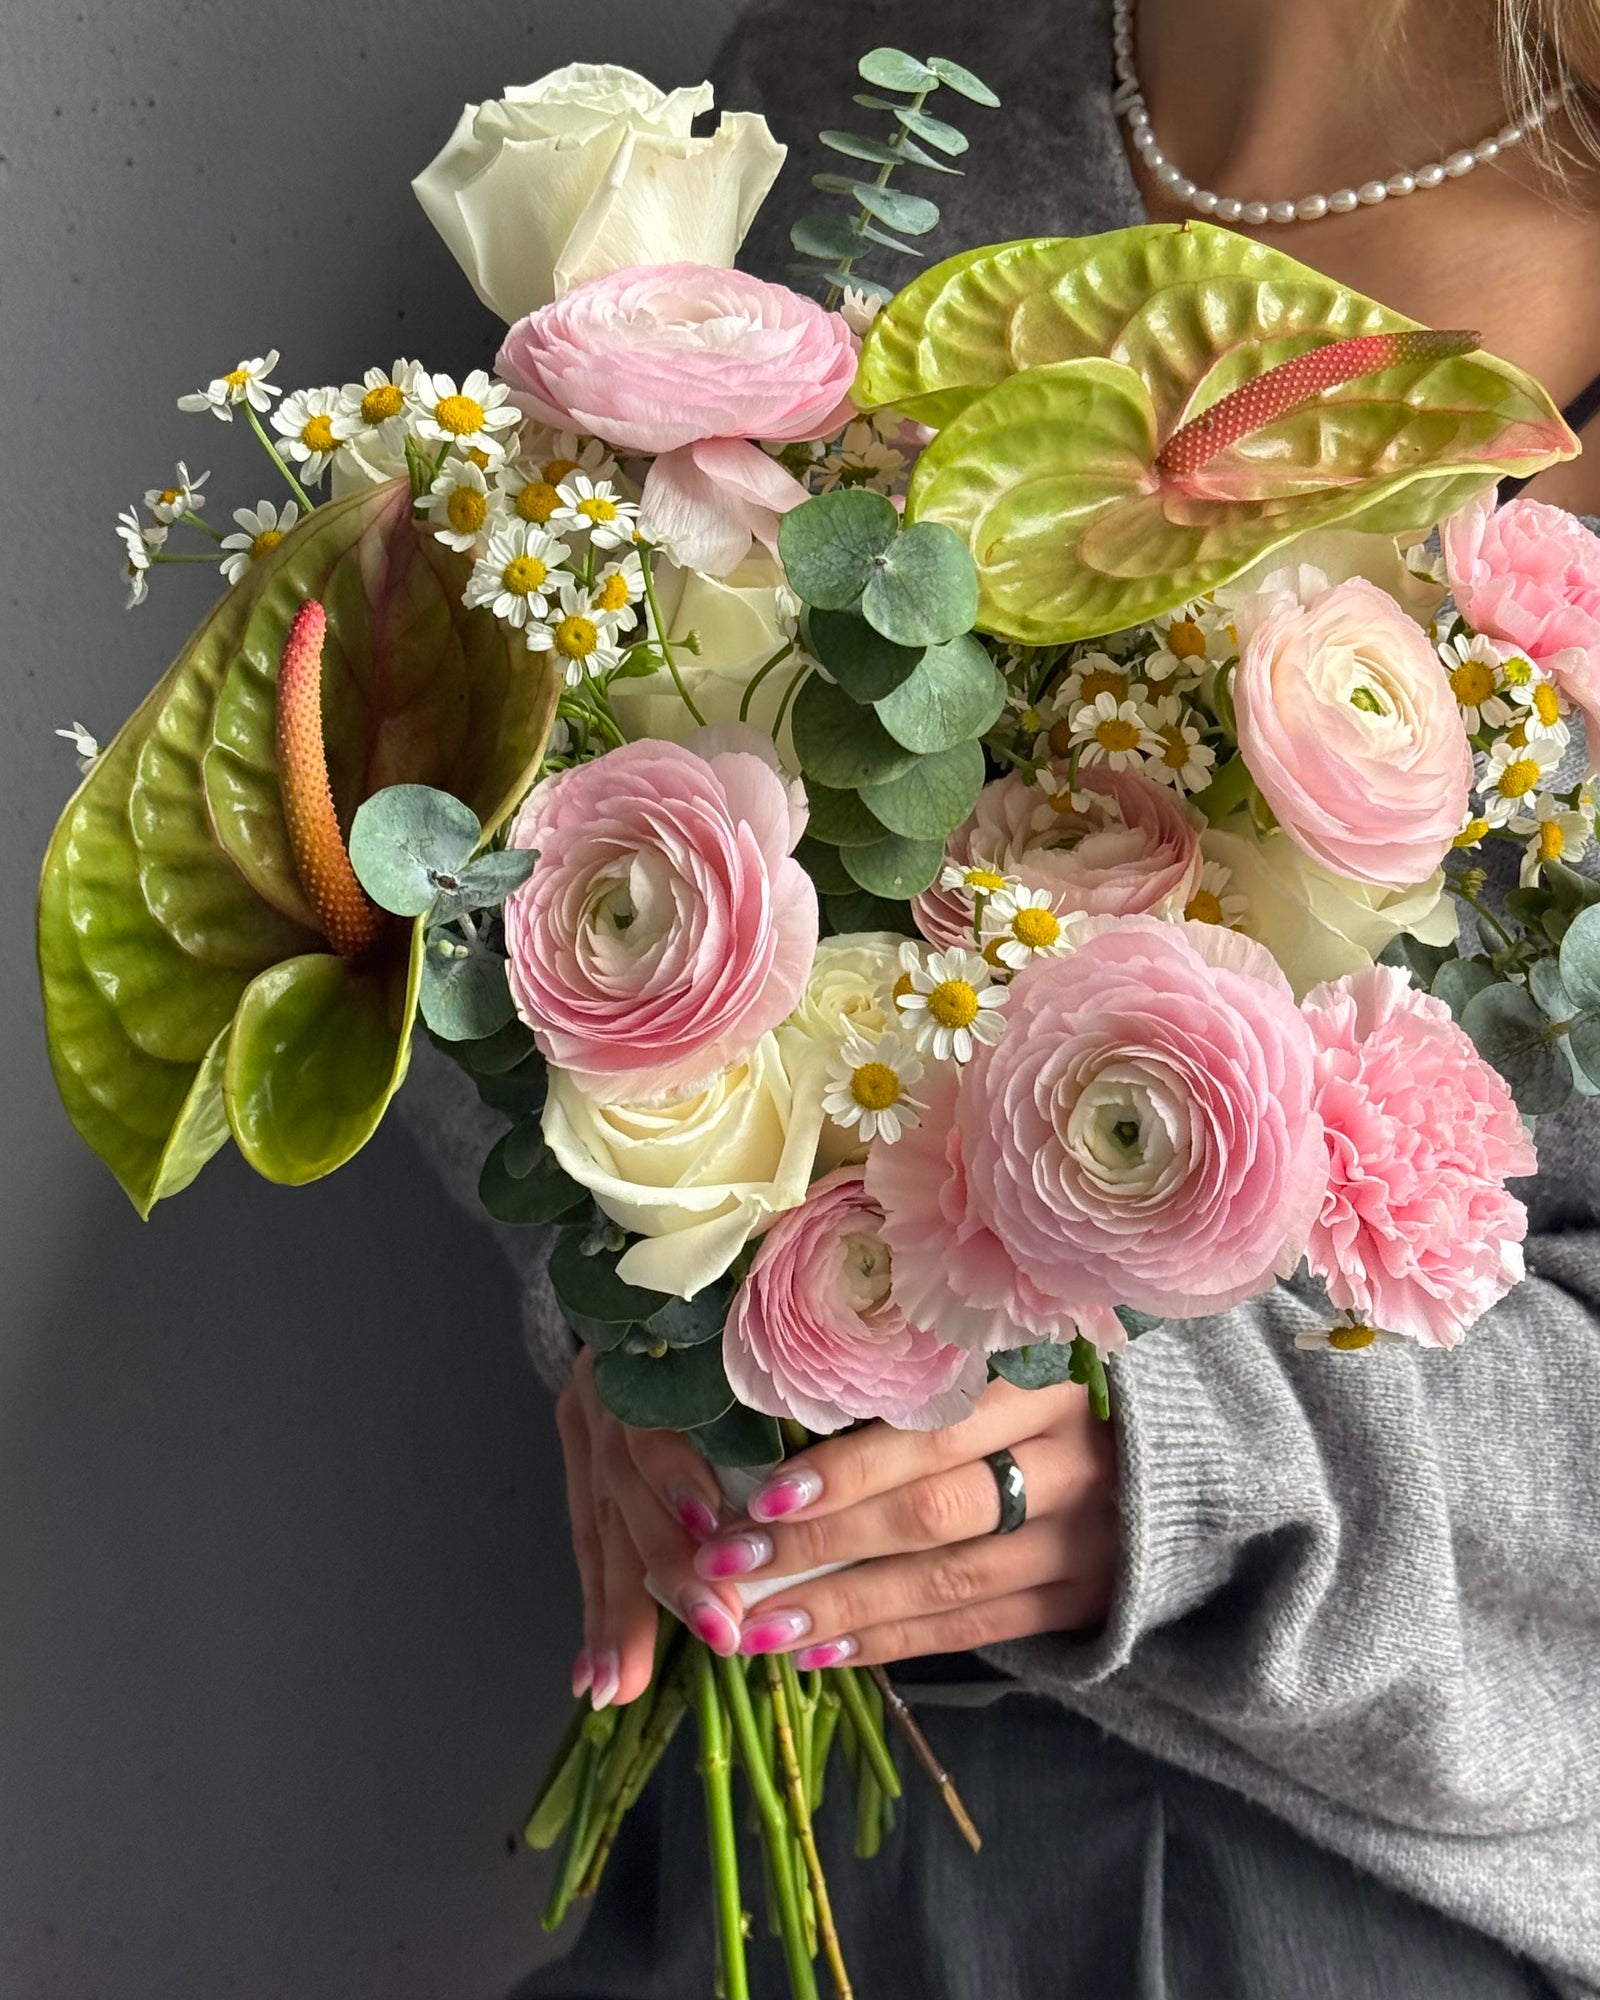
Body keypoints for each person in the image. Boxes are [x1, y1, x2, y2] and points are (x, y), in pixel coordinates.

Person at [401, 3, 1600, 1993]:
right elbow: (472, 806)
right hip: (746, 1775)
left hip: (1328, 1877)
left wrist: (1195, 1458)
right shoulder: (861, 94)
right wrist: (644, 1290)